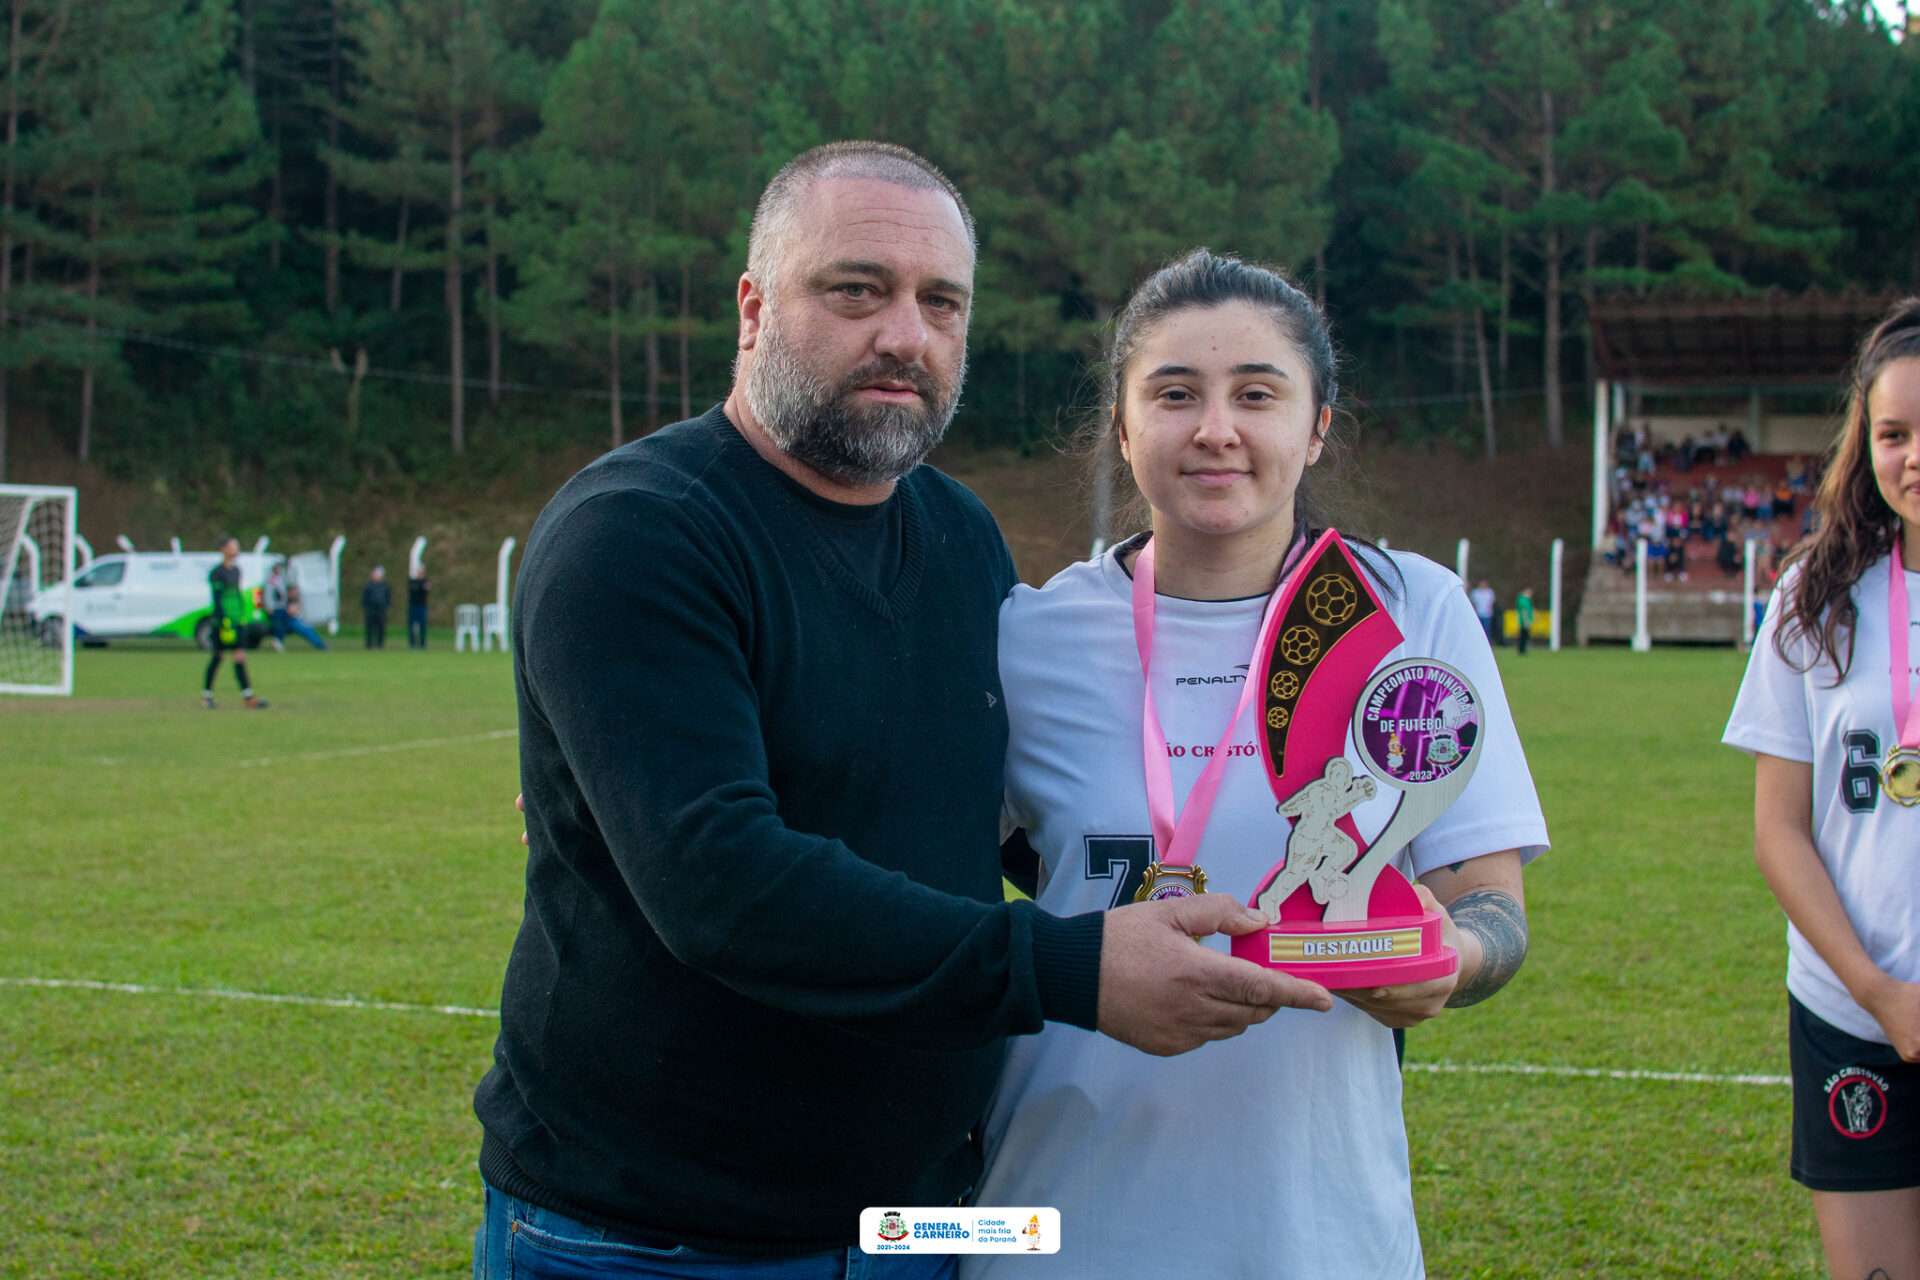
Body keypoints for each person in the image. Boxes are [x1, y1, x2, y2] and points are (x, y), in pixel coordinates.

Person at [473, 144, 1332, 1279]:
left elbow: (1000, 811)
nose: (906, 335)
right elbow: (720, 882)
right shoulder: (637, 534)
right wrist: (1074, 966)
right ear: (753, 306)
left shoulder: (960, 535)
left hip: (929, 1220)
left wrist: (1309, 892)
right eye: (857, 289)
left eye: (942, 303)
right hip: (665, 1235)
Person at [966, 250, 1547, 1279]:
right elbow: (1014, 866)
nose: (1216, 428)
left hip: (1317, 1233)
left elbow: (1489, 903)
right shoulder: (1028, 633)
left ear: (1318, 424)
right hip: (1058, 1215)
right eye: (1175, 393)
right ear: (1122, 424)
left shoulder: (1409, 612)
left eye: (1257, 393)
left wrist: (1445, 959)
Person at [1724, 298, 1920, 1280]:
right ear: (1865, 445)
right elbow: (1780, 832)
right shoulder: (1815, 598)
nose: (1915, 454)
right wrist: (1884, 994)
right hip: (1850, 1007)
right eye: (1895, 432)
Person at [201, 537, 267, 710]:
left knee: (239, 657)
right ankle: (206, 696)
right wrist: (223, 621)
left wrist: (242, 616)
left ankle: (248, 697)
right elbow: (217, 599)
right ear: (224, 549)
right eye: (233, 546)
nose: (236, 549)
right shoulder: (216, 573)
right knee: (218, 656)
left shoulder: (237, 570)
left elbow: (236, 595)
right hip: (223, 622)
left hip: (238, 621)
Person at [360, 565, 389, 648]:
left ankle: (380, 644)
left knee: (381, 627)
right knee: (370, 627)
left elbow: (387, 596)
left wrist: (385, 605)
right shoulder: (368, 585)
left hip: (381, 609)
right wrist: (367, 606)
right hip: (370, 609)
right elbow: (364, 597)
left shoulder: (384, 585)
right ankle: (369, 644)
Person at [406, 564, 430, 648]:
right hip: (413, 606)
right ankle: (412, 644)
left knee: (423, 625)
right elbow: (414, 590)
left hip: (422, 606)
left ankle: (422, 644)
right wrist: (421, 587)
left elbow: (424, 590)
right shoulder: (412, 581)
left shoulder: (425, 581)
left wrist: (419, 588)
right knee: (412, 625)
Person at [1469, 577, 1497, 645]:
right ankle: (1478, 642)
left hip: (1487, 614)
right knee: (1478, 629)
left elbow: (1491, 603)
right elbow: (1473, 603)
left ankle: (1487, 643)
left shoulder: (1489, 592)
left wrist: (1491, 611)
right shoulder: (1476, 592)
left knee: (1487, 629)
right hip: (1478, 613)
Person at [1515, 584, 1535, 654]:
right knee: (1523, 635)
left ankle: (1522, 649)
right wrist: (1526, 621)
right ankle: (1521, 650)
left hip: (1526, 620)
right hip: (1524, 620)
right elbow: (1524, 611)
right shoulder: (1522, 600)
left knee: (1524, 635)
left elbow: (1530, 609)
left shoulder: (1527, 600)